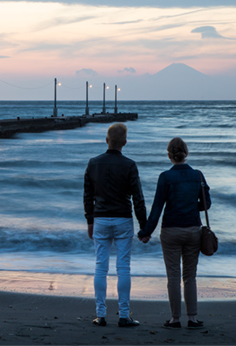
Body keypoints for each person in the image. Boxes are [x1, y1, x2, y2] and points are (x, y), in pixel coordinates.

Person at [137, 137, 211, 330]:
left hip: (170, 231)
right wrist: (189, 207)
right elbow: (206, 204)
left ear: (169, 155)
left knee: (173, 276)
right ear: (186, 153)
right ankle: (193, 319)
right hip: (193, 230)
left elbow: (157, 209)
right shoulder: (198, 175)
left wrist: (145, 232)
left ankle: (175, 319)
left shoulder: (165, 177)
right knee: (190, 276)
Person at [83, 123, 148, 328]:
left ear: (106, 140)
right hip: (123, 219)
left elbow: (88, 196)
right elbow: (138, 198)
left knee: (100, 267)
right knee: (123, 268)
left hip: (101, 219)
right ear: (125, 143)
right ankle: (124, 315)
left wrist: (90, 220)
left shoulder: (93, 163)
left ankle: (100, 315)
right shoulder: (129, 165)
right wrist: (144, 227)